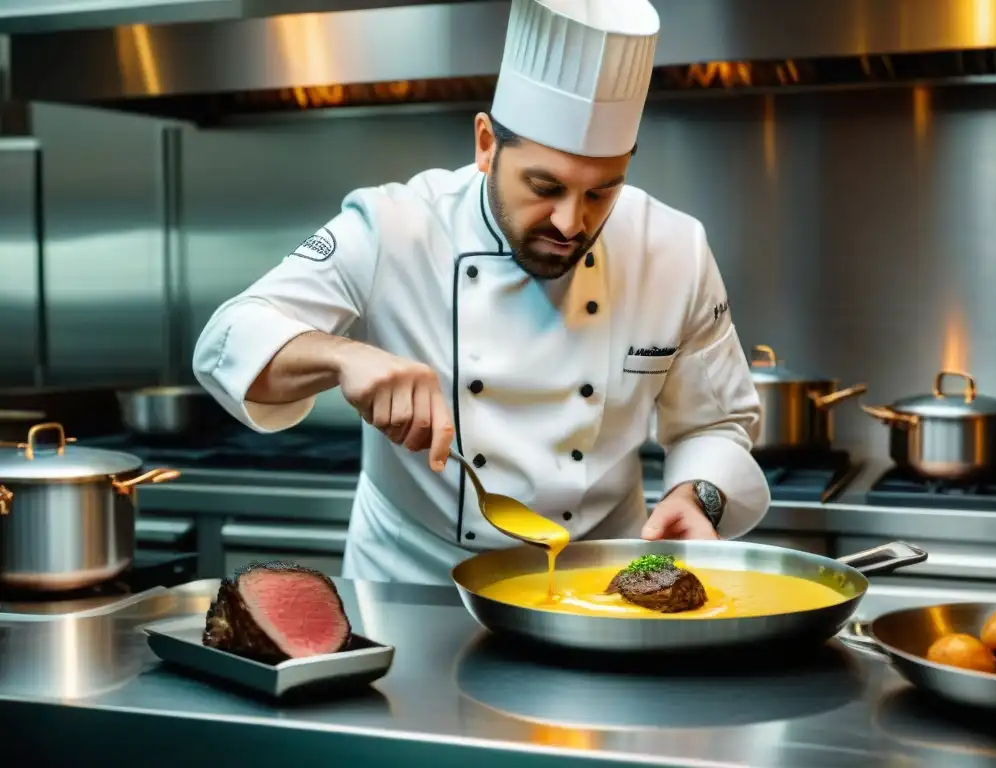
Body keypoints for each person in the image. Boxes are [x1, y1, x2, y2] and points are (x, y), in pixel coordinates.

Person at [193, 0, 771, 584]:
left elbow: (715, 425)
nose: (571, 222)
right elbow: (229, 338)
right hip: (413, 583)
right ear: (486, 143)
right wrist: (343, 356)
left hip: (600, 582)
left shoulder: (673, 249)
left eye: (601, 193)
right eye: (545, 186)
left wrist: (700, 496)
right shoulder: (393, 226)